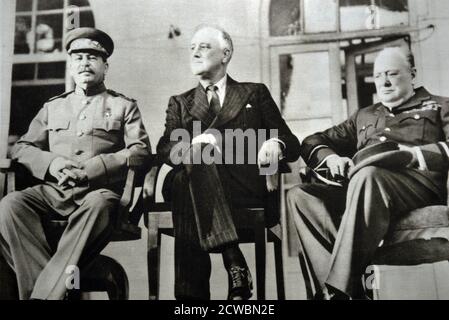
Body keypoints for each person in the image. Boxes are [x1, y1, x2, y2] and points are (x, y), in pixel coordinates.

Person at [0, 27, 151, 300]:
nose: (85, 63)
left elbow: (140, 151)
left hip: (97, 195)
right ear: (71, 66)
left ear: (106, 66)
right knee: (10, 205)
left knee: (101, 203)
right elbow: (22, 147)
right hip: (54, 193)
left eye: (92, 58)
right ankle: (52, 291)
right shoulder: (53, 107)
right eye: (78, 57)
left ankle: (42, 295)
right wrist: (53, 163)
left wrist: (96, 168)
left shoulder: (123, 106)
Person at [287, 47, 449, 299]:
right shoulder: (365, 115)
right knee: (300, 195)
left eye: (392, 74)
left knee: (368, 175)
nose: (384, 82)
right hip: (363, 190)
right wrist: (331, 159)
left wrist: (414, 155)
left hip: (416, 185)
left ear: (412, 74)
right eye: (378, 75)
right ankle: (345, 290)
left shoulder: (440, 106)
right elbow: (312, 141)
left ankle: (337, 292)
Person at [155, 24, 300, 300]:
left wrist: (274, 143)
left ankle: (190, 301)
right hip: (196, 180)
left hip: (243, 186)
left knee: (186, 184)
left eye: (204, 46)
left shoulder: (253, 93)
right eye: (192, 48)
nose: (195, 53)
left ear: (226, 53)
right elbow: (166, 147)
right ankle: (234, 260)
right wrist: (195, 146)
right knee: (192, 169)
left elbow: (290, 143)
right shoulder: (180, 102)